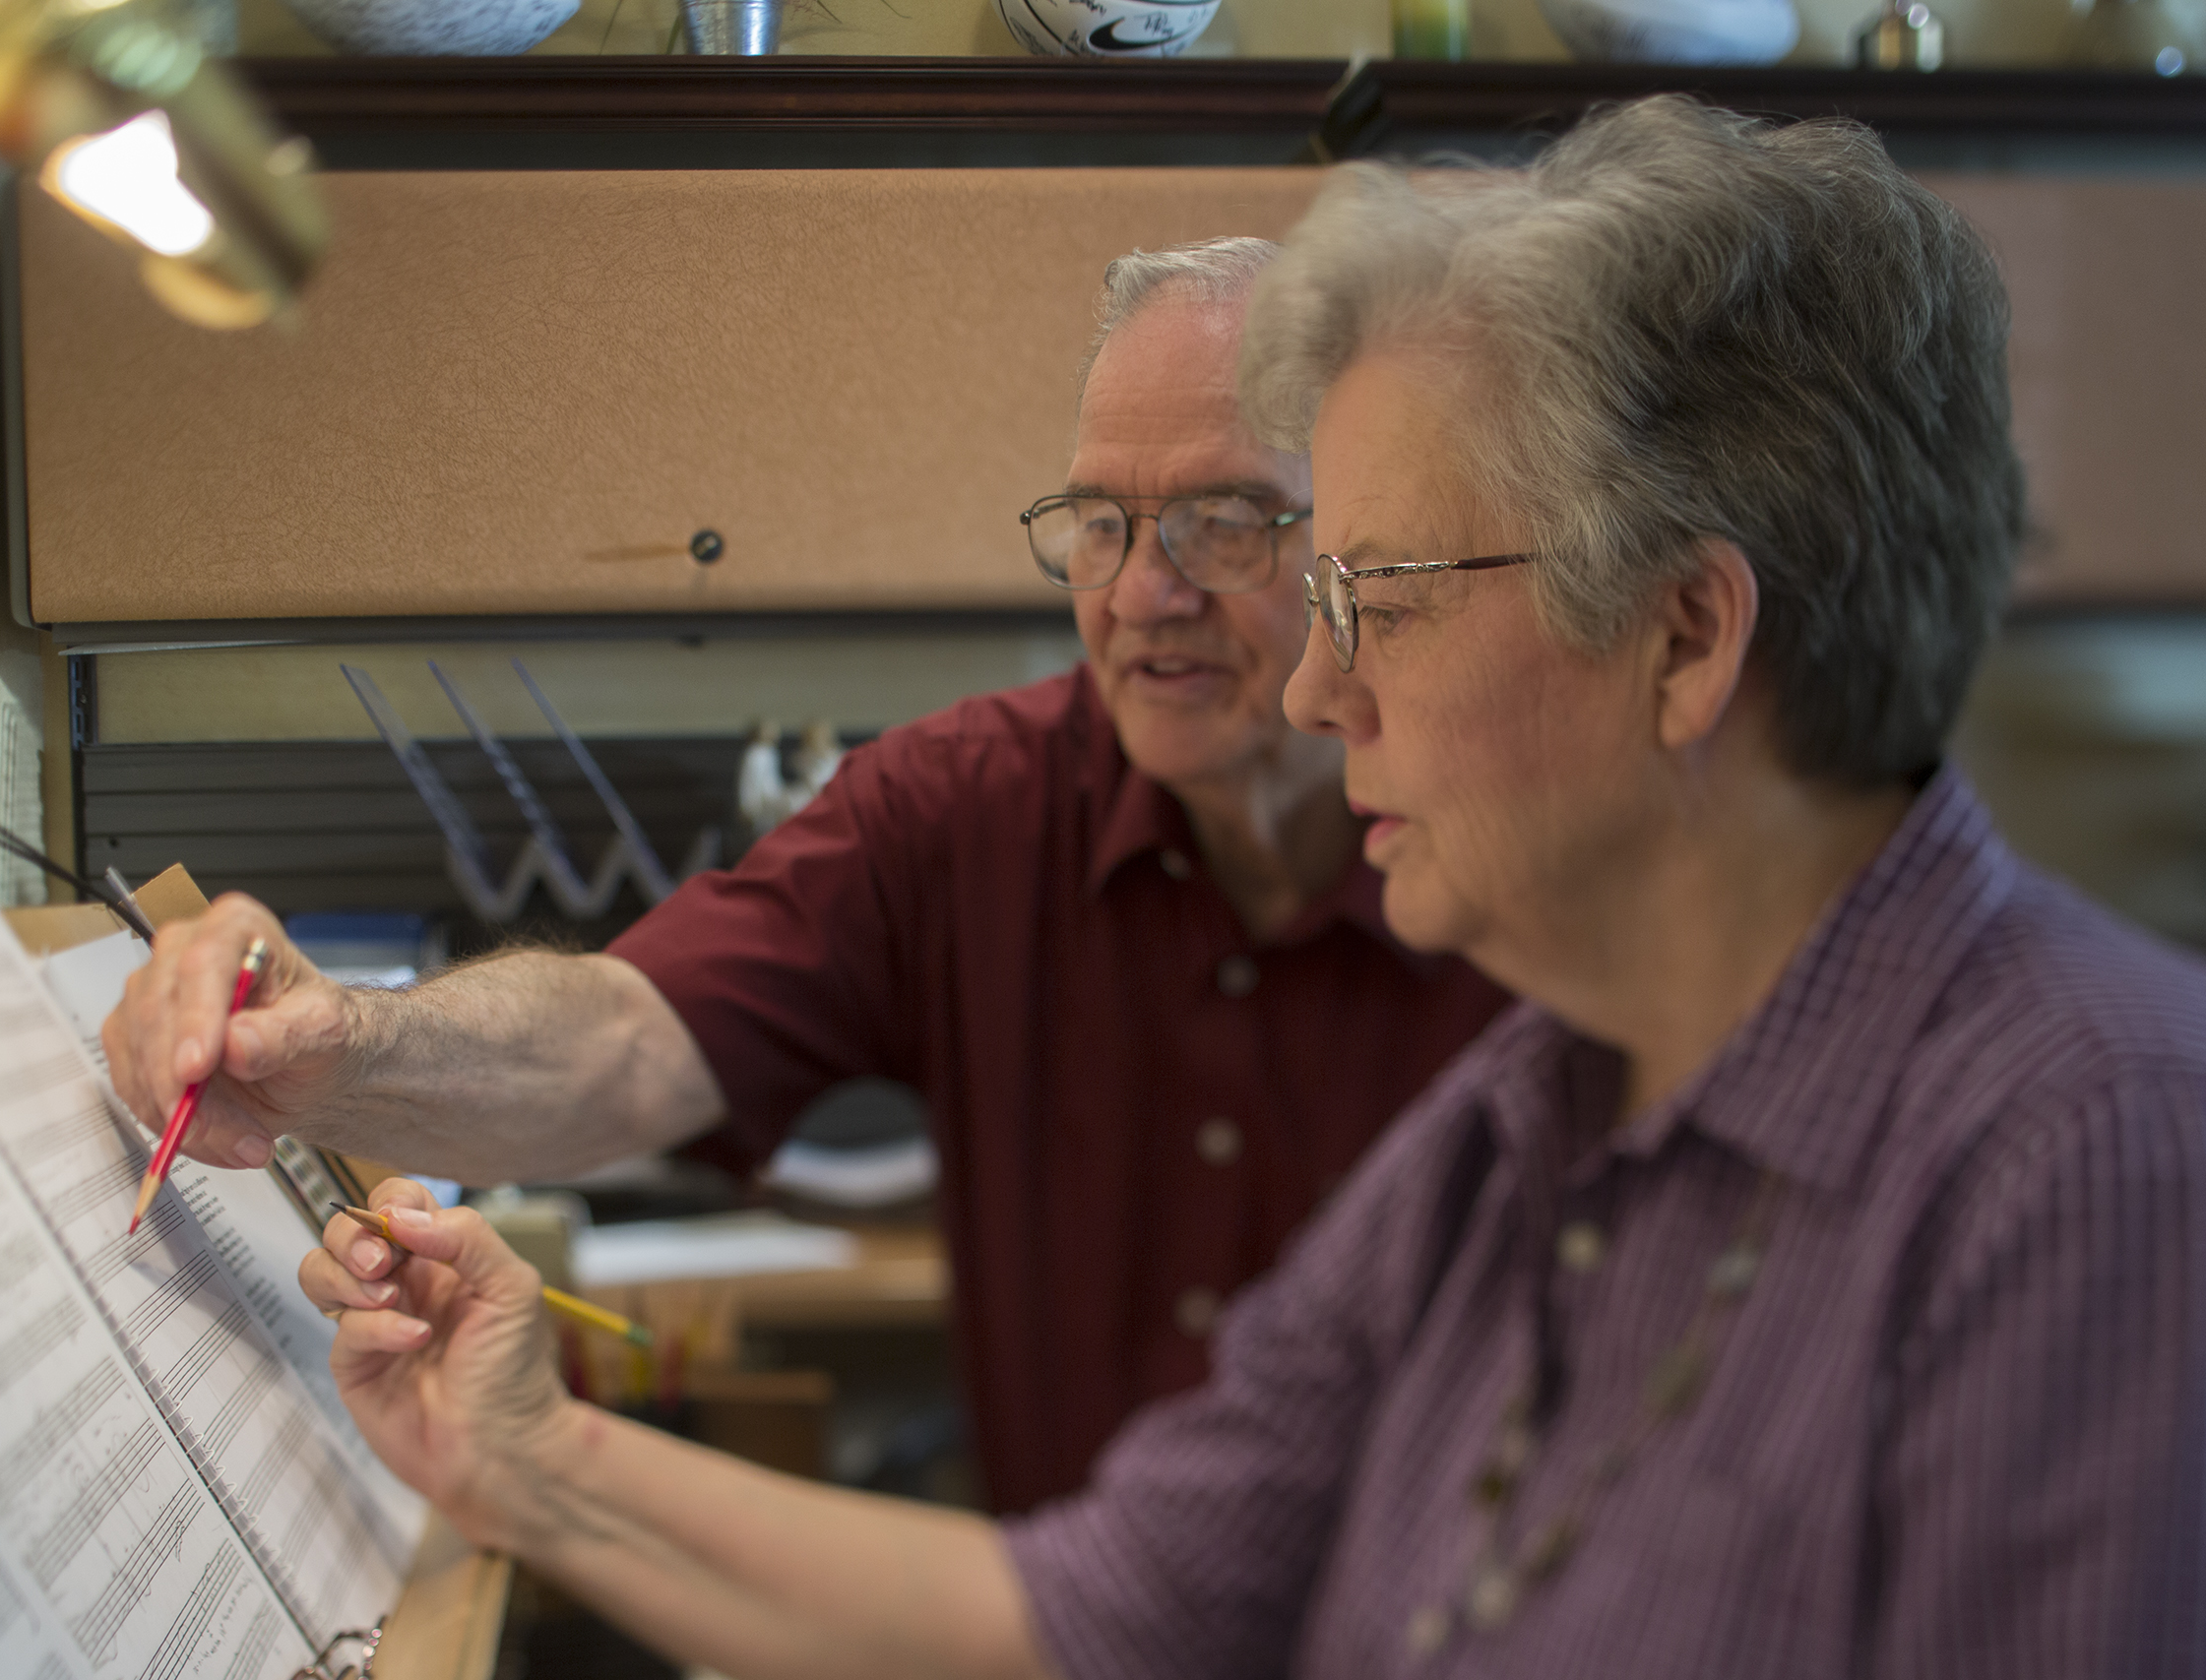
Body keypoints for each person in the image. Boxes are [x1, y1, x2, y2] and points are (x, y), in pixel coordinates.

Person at [290, 97, 2206, 1680]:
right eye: (1110, 529)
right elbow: (1088, 1615)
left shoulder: (2091, 1151)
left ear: (1681, 637)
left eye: (1365, 589)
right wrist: (524, 1459)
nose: (1308, 678)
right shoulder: (1517, 1123)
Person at [100, 237, 1510, 1513]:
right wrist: (337, 1045)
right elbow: (621, 1042)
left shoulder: (1521, 847)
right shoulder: (973, 801)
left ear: (1366, 543)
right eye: (1100, 523)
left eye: (1224, 519)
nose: (1144, 592)